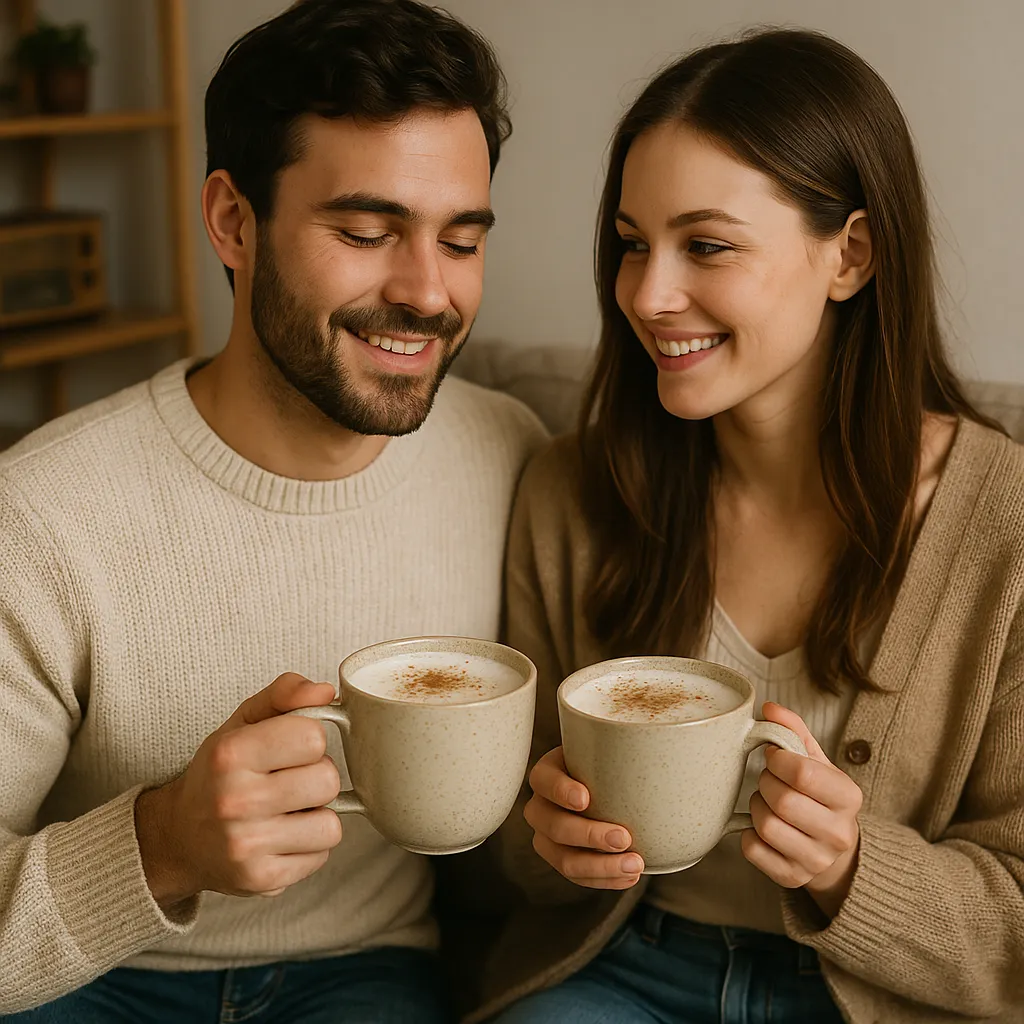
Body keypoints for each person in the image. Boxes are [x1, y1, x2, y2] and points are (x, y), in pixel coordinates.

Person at [0, 1, 546, 1020]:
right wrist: (160, 844)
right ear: (233, 221)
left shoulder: (512, 455)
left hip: (361, 972)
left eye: (460, 240)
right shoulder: (41, 515)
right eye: (367, 230)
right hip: (92, 978)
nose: (428, 293)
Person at [477, 27, 1024, 1024]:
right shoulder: (569, 492)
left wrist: (856, 868)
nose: (647, 294)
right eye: (632, 242)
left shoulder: (1007, 533)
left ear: (849, 255)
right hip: (625, 970)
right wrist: (545, 836)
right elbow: (511, 850)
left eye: (707, 245)